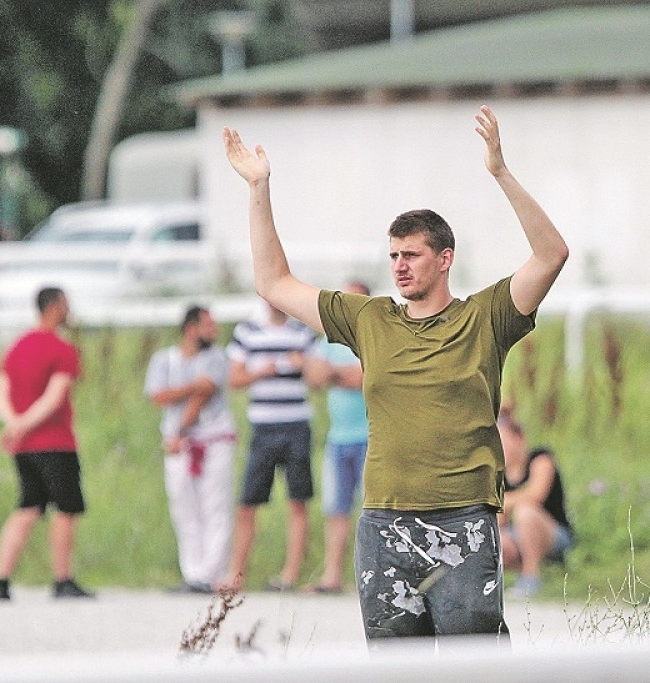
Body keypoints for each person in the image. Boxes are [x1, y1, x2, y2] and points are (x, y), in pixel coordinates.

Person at [221, 104, 569, 647]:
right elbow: (274, 283)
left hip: (462, 520)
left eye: (412, 254)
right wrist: (258, 188)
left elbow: (551, 255)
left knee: (476, 666)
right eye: (393, 255)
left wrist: (500, 171)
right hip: (384, 522)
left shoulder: (486, 317)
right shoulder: (370, 319)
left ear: (445, 258)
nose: (400, 265)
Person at [0, 287, 94, 600]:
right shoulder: (62, 349)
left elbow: (0, 393)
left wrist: (13, 425)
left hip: (24, 446)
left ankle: (1, 579)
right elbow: (54, 397)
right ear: (55, 307)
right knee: (65, 508)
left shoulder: (17, 346)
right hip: (55, 441)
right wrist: (22, 425)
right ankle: (62, 578)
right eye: (65, 304)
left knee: (28, 505)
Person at [220, 300, 317, 592]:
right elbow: (234, 378)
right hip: (263, 425)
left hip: (296, 423)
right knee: (248, 501)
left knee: (298, 500)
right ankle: (236, 574)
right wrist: (261, 372)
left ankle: (290, 574)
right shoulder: (248, 331)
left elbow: (318, 375)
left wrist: (304, 365)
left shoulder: (302, 332)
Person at [144, 305, 237, 594]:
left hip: (211, 439)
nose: (213, 331)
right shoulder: (164, 359)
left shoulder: (216, 357)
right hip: (179, 446)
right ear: (191, 328)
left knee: (215, 506)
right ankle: (193, 572)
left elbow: (204, 393)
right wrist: (191, 387)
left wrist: (180, 429)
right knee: (184, 508)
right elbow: (158, 395)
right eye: (207, 325)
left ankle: (212, 573)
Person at [303, 280, 371, 595]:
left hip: (370, 437)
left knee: (371, 512)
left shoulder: (372, 339)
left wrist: (333, 373)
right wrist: (341, 374)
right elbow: (313, 375)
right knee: (336, 510)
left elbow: (365, 378)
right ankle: (332, 576)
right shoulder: (329, 339)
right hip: (338, 438)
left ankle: (370, 574)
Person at [497, 407, 574, 599]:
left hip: (553, 534)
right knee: (494, 537)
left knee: (525, 512)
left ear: (519, 439)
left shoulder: (540, 459)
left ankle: (531, 576)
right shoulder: (497, 475)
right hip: (516, 536)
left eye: (502, 439)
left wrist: (506, 502)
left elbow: (535, 495)